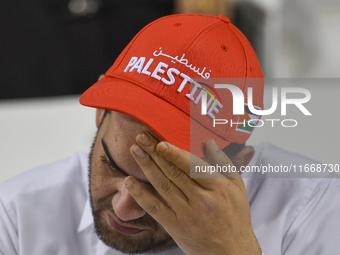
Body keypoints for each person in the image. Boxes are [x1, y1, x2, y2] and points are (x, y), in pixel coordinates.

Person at [0, 14, 339, 255]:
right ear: (100, 114)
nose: (125, 207)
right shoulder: (19, 217)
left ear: (235, 164)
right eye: (112, 166)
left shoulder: (312, 210)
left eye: (162, 182)